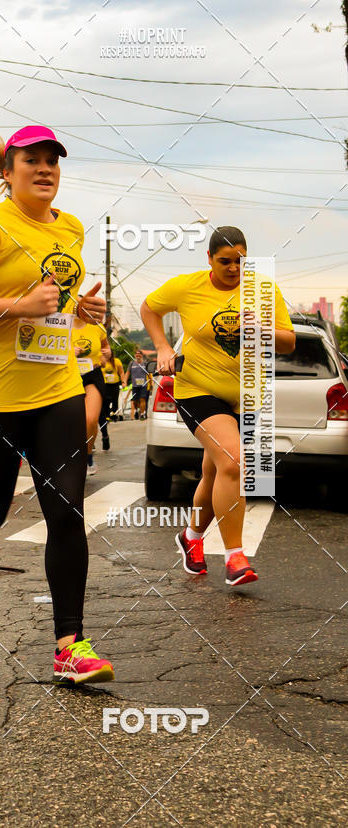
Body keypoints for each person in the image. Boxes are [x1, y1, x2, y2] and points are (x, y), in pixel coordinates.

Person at [0, 124, 114, 684]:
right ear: (7, 171)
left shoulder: (72, 228)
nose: (44, 169)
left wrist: (77, 311)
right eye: (31, 160)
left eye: (52, 160)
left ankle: (70, 645)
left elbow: (52, 301)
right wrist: (18, 305)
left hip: (57, 389)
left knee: (67, 509)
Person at [140, 226, 295, 586]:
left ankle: (191, 537)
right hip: (198, 390)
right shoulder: (187, 286)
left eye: (241, 261)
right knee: (234, 462)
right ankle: (235, 556)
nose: (234, 268)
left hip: (247, 396)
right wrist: (163, 347)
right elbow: (149, 308)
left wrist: (263, 329)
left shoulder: (264, 290)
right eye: (225, 261)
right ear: (209, 258)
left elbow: (288, 343)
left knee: (216, 474)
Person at [71, 316, 109, 473]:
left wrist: (106, 354)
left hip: (92, 374)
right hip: (69, 375)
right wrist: (68, 352)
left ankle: (87, 456)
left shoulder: (97, 326)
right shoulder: (61, 322)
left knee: (90, 419)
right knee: (70, 421)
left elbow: (105, 348)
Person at [100, 344, 125, 447]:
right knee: (106, 401)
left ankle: (114, 415)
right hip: (105, 384)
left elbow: (121, 372)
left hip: (114, 384)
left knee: (115, 400)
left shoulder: (117, 361)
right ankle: (107, 415)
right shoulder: (101, 361)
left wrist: (123, 381)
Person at [125, 350, 149, 419]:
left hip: (143, 385)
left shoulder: (145, 363)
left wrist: (151, 383)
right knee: (134, 401)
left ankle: (142, 413)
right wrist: (125, 381)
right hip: (134, 386)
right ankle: (138, 409)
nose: (138, 355)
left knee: (142, 399)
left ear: (142, 355)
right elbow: (127, 373)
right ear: (135, 355)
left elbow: (149, 373)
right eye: (136, 354)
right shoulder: (131, 363)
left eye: (139, 354)